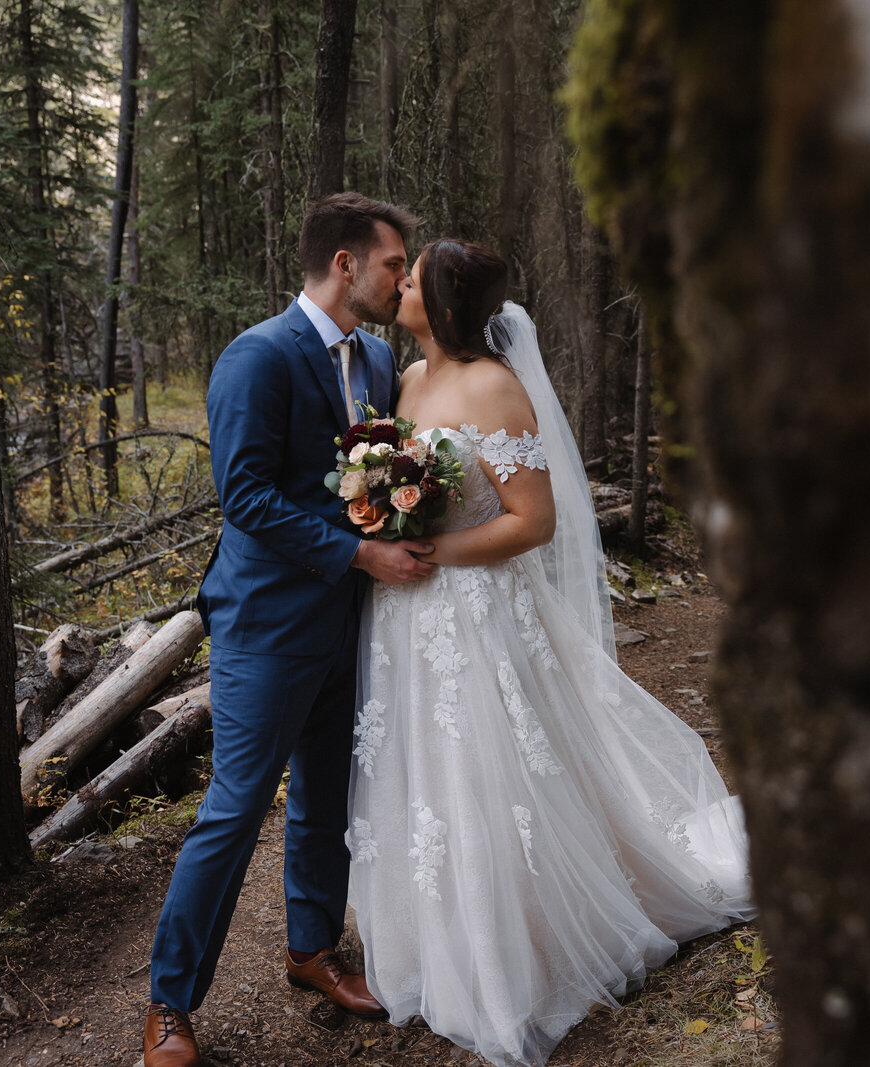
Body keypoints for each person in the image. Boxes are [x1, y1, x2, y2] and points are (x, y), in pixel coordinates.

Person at [346, 239, 754, 1067]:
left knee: (493, 767)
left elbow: (533, 522)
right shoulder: (408, 379)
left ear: (448, 303)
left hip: (475, 610)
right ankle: (447, 943)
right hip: (405, 616)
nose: (403, 284)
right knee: (425, 770)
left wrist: (431, 552)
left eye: (415, 277)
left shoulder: (496, 388)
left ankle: (525, 953)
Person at [143, 193, 438, 1067]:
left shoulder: (381, 361)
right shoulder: (257, 356)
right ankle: (169, 1001)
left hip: (355, 621)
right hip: (268, 622)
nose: (401, 278)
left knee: (324, 794)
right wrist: (359, 556)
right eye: (392, 263)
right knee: (234, 810)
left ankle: (311, 950)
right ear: (345, 264)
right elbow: (246, 497)